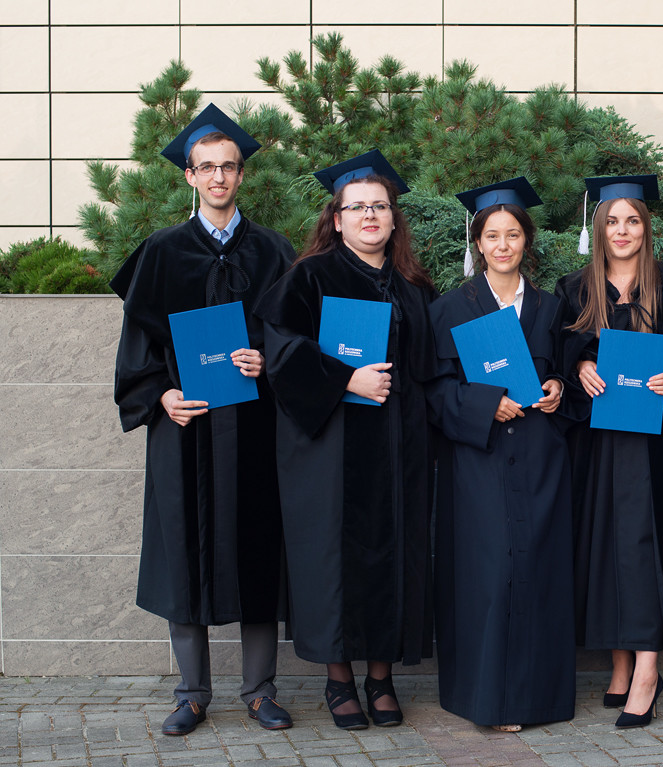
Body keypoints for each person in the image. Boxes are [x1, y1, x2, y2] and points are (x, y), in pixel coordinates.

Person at [110, 104, 294, 736]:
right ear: (189, 175)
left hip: (255, 429)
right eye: (206, 167)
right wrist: (161, 395)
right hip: (183, 429)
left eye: (228, 166)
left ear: (241, 175)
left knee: (259, 548)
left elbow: (296, 340)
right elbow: (136, 347)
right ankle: (191, 693)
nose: (218, 177)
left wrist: (267, 360)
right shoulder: (161, 252)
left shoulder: (273, 251)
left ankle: (260, 690)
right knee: (181, 548)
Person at [253, 150, 437, 729]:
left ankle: (381, 678)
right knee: (332, 559)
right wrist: (345, 378)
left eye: (379, 206)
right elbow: (281, 350)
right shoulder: (311, 277)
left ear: (393, 218)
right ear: (336, 219)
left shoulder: (413, 287)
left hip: (397, 448)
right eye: (357, 207)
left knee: (392, 556)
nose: (369, 216)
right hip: (330, 450)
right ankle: (339, 681)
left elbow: (432, 369)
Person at [556, 174, 663, 729]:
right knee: (605, 548)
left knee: (646, 550)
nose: (622, 230)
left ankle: (646, 671)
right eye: (612, 221)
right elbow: (557, 358)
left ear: (646, 228)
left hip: (656, 448)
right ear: (598, 228)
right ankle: (620, 664)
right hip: (599, 444)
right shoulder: (574, 290)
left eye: (632, 221)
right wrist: (580, 366)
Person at [428, 177, 575, 733]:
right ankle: (488, 702)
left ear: (526, 241)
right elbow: (434, 391)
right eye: (492, 236)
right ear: (478, 243)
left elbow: (570, 376)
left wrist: (559, 387)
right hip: (479, 465)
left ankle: (536, 701)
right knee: (488, 578)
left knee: (536, 575)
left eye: (513, 234)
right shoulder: (450, 310)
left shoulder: (552, 308)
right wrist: (484, 404)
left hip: (540, 461)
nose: (503, 245)